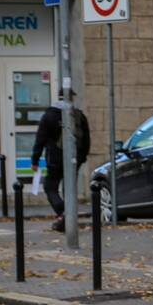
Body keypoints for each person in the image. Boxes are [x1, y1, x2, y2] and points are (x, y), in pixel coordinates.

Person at [32, 94, 91, 232]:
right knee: (69, 189)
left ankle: (63, 213)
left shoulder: (49, 115)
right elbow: (87, 139)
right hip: (74, 159)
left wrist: (35, 160)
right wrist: (82, 158)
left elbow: (40, 139)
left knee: (50, 186)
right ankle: (67, 216)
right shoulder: (78, 116)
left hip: (55, 158)